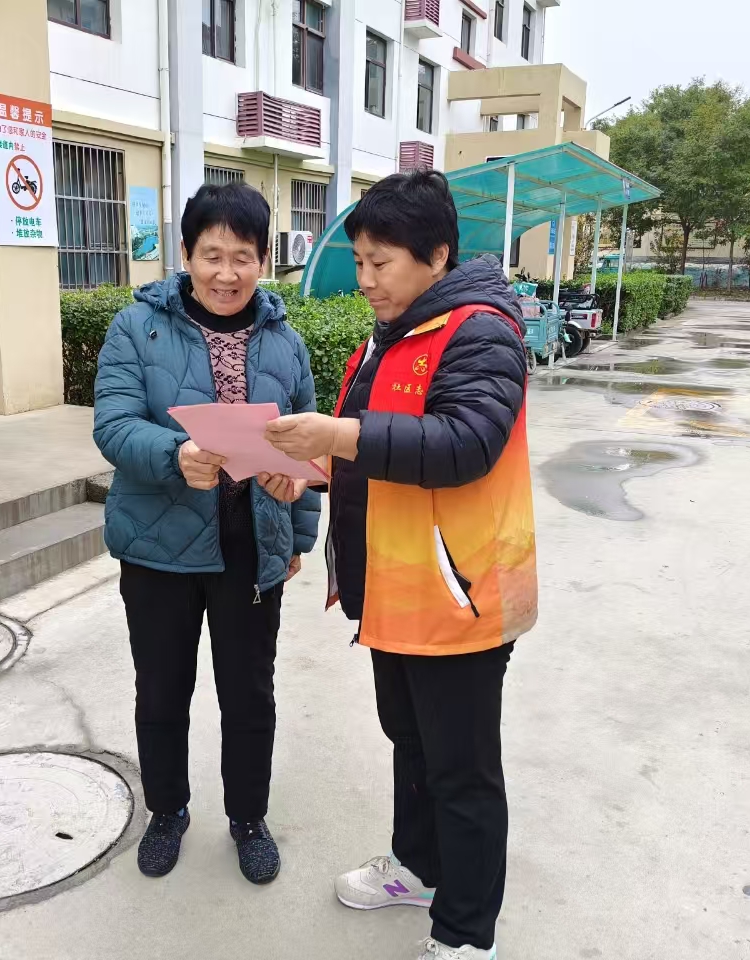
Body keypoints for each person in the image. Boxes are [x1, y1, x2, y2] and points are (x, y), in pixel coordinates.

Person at [265, 170, 536, 960]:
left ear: (437, 255)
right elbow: (374, 450)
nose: (366, 279)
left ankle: (466, 933)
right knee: (411, 742)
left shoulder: (480, 332)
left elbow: (464, 444)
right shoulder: (390, 337)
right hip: (396, 589)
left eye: (381, 262)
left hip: (460, 593)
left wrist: (338, 437)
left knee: (462, 768)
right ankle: (419, 868)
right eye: (359, 260)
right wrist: (310, 470)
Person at [93, 182, 321, 885]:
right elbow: (113, 423)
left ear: (263, 261)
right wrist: (175, 455)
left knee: (249, 696)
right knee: (163, 691)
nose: (227, 273)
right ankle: (167, 811)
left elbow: (308, 445)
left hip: (251, 547)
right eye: (212, 255)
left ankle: (249, 818)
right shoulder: (137, 327)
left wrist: (297, 534)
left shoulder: (285, 341)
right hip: (158, 546)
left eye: (242, 257)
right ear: (186, 254)